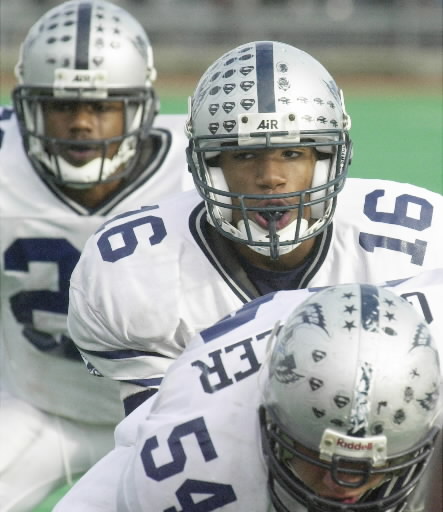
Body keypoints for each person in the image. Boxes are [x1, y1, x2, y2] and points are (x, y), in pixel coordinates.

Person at [67, 40, 443, 417]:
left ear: (329, 159)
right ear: (210, 165)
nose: (270, 178)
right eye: (245, 155)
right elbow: (166, 441)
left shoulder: (417, 245)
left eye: (292, 153)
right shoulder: (133, 269)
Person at [0, 0, 193, 509]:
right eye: (63, 106)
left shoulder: (197, 172)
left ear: (139, 106)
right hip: (38, 407)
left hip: (173, 414)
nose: (82, 124)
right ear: (30, 107)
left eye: (102, 105)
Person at [56, 276, 442, 511]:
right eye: (315, 456)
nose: (340, 485)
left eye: (371, 465)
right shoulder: (189, 472)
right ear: (270, 418)